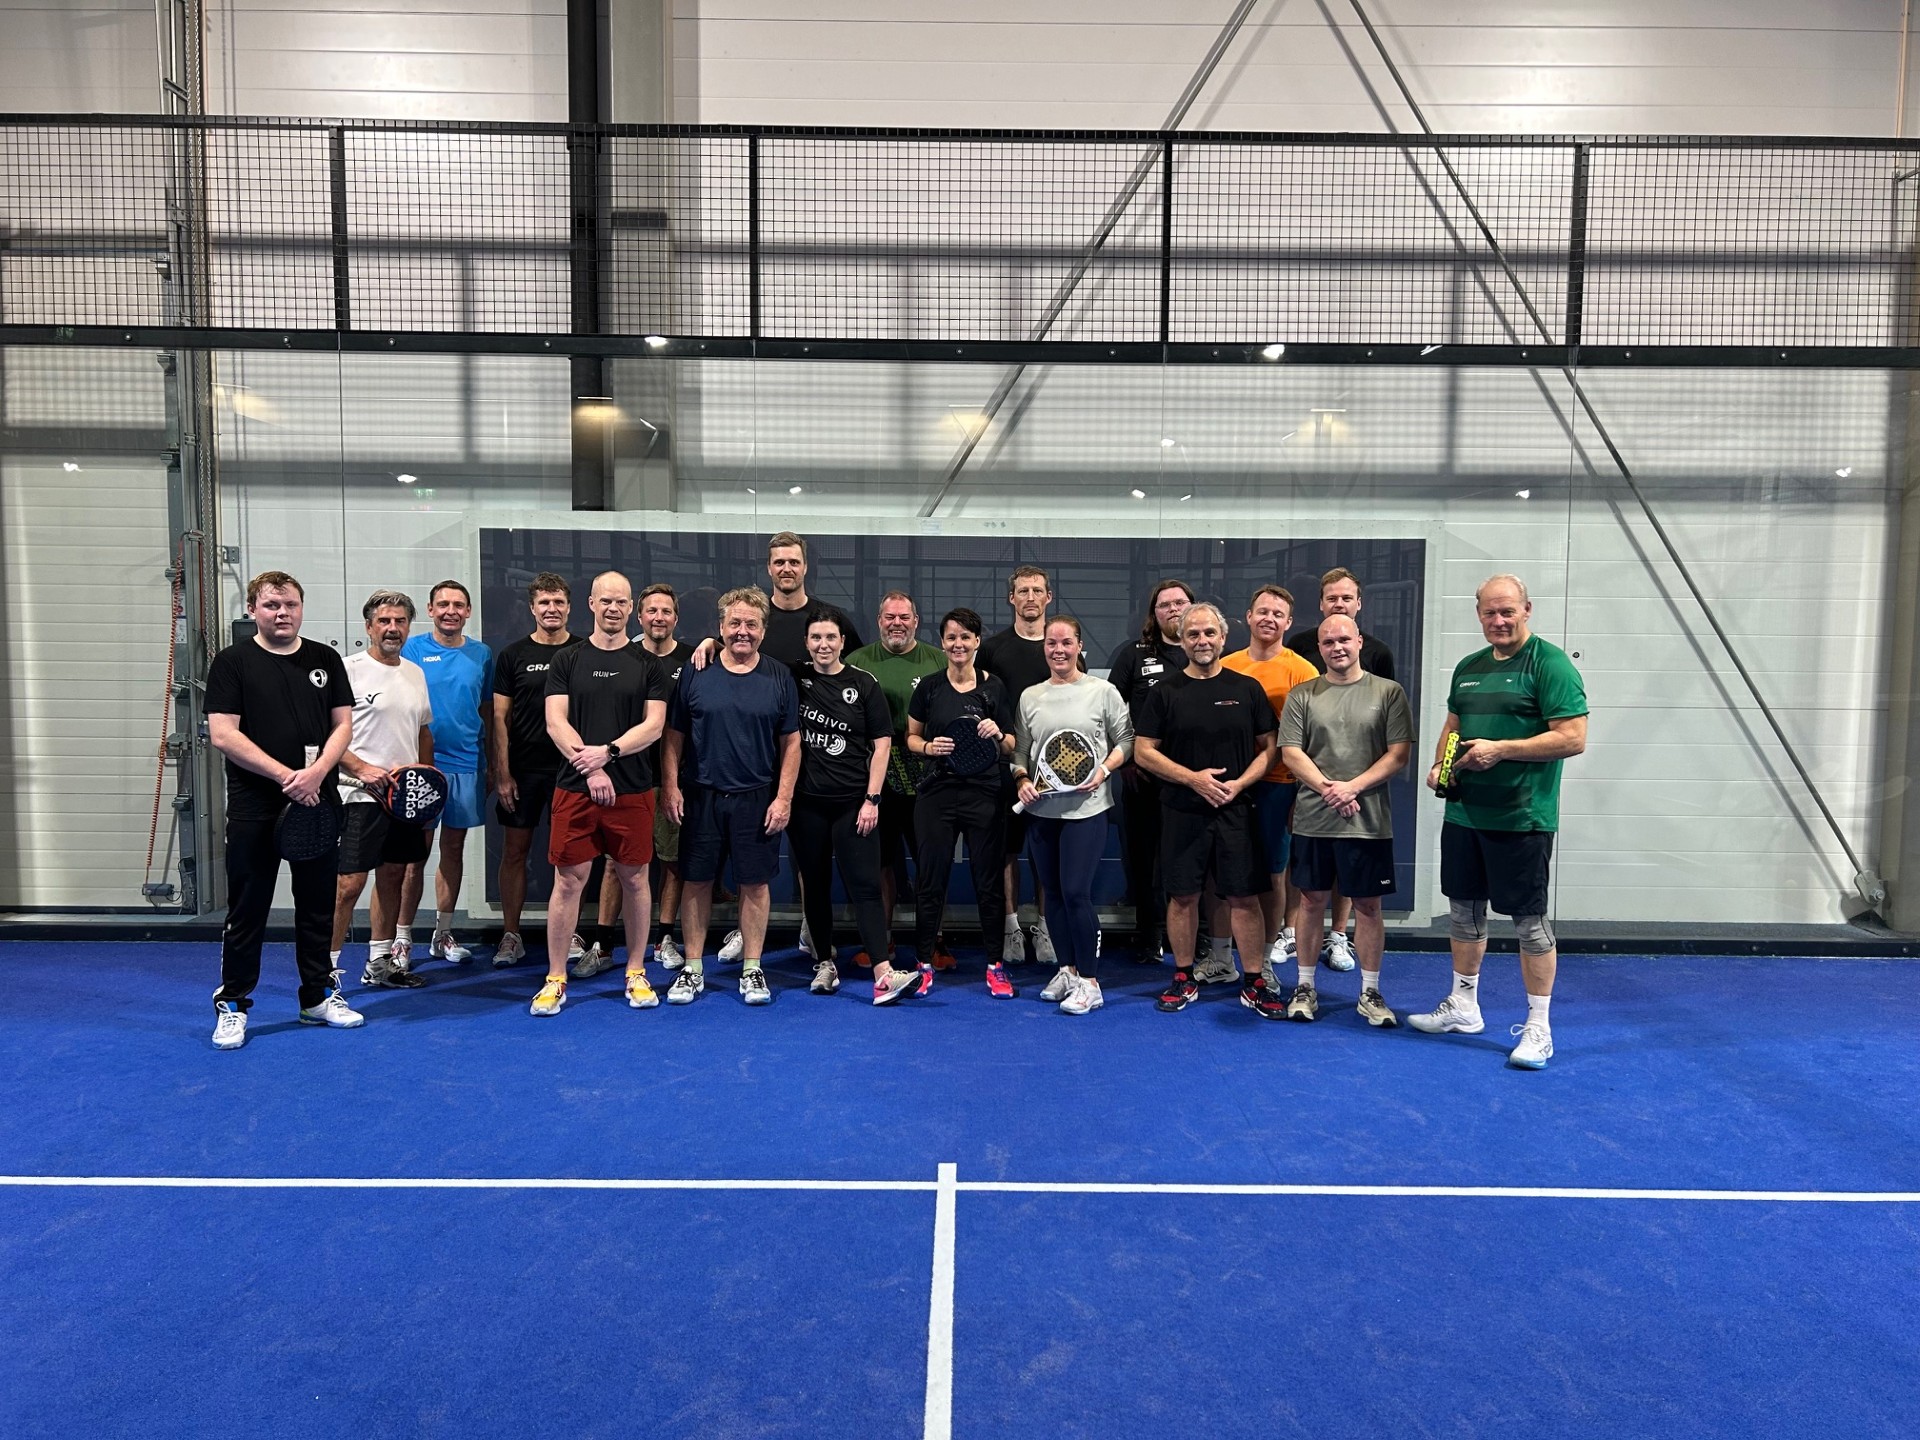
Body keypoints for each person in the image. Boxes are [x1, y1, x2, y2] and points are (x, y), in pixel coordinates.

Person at [1409, 575, 1587, 1069]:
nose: (1499, 620)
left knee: (1529, 923)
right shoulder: (1468, 668)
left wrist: (1502, 750)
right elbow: (1454, 727)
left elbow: (1573, 738)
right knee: (1463, 913)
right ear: (1479, 614)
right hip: (1465, 813)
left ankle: (1539, 1028)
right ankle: (1463, 1006)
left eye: (1508, 611)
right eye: (1490, 612)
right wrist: (1440, 765)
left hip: (1522, 818)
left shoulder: (1549, 664)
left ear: (1527, 609)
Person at [206, 570, 358, 1049]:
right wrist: (287, 777)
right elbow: (223, 734)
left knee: (316, 907)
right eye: (271, 605)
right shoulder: (232, 662)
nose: (282, 613)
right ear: (253, 609)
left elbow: (343, 725)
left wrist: (316, 775)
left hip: (317, 802)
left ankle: (317, 998)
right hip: (256, 808)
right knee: (247, 909)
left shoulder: (324, 658)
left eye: (290, 604)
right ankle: (233, 1004)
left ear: (301, 608)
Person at [1133, 603, 1285, 1019]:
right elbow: (1143, 752)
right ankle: (1183, 976)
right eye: (1193, 635)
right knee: (1183, 896)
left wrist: (1239, 784)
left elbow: (1270, 747)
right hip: (1182, 811)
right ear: (1182, 641)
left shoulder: (1247, 689)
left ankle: (1253, 980)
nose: (1202, 641)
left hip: (1236, 810)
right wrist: (1192, 779)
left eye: (1209, 633)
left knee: (1243, 896)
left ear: (1223, 638)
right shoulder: (1165, 692)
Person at [528, 571, 670, 1017]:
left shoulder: (648, 664)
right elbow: (555, 722)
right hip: (575, 788)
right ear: (591, 604)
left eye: (621, 602)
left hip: (632, 789)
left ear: (631, 608)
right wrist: (590, 769)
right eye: (606, 600)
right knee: (568, 882)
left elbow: (654, 726)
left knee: (636, 880)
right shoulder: (567, 660)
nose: (613, 608)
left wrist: (607, 754)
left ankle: (635, 971)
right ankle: (556, 977)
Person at [662, 586, 801, 1006]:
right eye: (735, 623)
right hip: (701, 796)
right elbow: (673, 735)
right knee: (696, 881)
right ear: (720, 627)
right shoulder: (696, 669)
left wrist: (783, 798)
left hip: (757, 798)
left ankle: (752, 968)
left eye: (751, 624)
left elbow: (791, 743)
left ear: (763, 630)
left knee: (754, 884)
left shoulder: (780, 676)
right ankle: (692, 968)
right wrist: (670, 785)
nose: (743, 631)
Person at [1277, 615, 1415, 1025]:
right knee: (1309, 902)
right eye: (1328, 642)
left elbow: (1398, 754)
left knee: (1369, 906)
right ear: (1319, 648)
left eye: (1343, 639)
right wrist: (1329, 789)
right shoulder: (1303, 695)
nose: (1336, 647)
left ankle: (1370, 992)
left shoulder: (1388, 692)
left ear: (1359, 641)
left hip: (1368, 823)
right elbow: (1291, 753)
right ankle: (1305, 986)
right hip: (1313, 820)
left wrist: (1352, 787)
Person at [790, 610, 920, 1004]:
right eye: (816, 638)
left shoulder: (863, 683)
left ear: (842, 642)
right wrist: (709, 643)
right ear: (806, 642)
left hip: (853, 805)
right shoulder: (793, 678)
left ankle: (883, 972)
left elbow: (882, 744)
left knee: (865, 887)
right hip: (806, 806)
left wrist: (872, 799)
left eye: (830, 637)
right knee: (815, 886)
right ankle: (824, 963)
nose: (823, 645)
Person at [1012, 617, 1131, 1015]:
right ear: (1043, 648)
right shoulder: (1030, 697)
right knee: (1054, 895)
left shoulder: (1103, 692)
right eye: (1051, 643)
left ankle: (1090, 983)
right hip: (1041, 812)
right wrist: (1022, 779)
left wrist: (1104, 770)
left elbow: (1126, 740)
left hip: (1087, 811)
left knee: (1076, 893)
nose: (1058, 650)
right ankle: (1066, 970)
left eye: (1066, 642)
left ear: (1079, 646)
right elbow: (1021, 751)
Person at [1285, 567, 1396, 973]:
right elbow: (1293, 743)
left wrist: (1351, 788)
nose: (1339, 604)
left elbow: (1389, 739)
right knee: (1308, 887)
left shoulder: (1380, 659)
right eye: (1332, 597)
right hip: (1311, 787)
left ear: (1358, 605)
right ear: (1320, 604)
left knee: (1359, 888)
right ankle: (1294, 944)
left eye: (1346, 598)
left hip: (1361, 796)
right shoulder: (1299, 650)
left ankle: (1339, 937)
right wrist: (1328, 787)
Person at [905, 607, 1018, 997]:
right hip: (936, 794)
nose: (958, 644)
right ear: (942, 642)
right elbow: (911, 738)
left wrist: (997, 733)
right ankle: (923, 965)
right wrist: (928, 747)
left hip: (984, 794)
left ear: (977, 642)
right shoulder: (929, 687)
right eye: (951, 637)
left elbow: (1010, 744)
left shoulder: (994, 688)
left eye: (965, 637)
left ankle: (995, 966)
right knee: (930, 881)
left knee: (988, 883)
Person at [332, 590, 436, 991]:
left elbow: (422, 731)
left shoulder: (414, 673)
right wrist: (362, 770)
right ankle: (324, 970)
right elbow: (328, 734)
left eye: (400, 621)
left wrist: (424, 780)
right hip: (358, 795)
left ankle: (380, 963)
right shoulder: (348, 670)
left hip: (403, 798)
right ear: (369, 627)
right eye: (384, 621)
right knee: (349, 884)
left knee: (393, 875)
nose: (393, 628)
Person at [1219, 585, 1320, 980]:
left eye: (1278, 614)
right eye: (1262, 611)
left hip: (1280, 785)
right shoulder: (1226, 665)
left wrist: (1301, 790)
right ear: (1248, 616)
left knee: (1274, 872)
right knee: (1226, 871)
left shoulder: (1302, 671)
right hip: (1230, 784)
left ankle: (1263, 957)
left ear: (1288, 623)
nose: (1269, 619)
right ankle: (1222, 957)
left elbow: (1312, 737)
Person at [845, 591, 948, 967]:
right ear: (879, 621)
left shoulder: (938, 661)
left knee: (930, 865)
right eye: (890, 617)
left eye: (904, 617)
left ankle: (933, 943)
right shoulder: (857, 662)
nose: (897, 624)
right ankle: (882, 942)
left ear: (916, 622)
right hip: (877, 780)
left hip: (929, 779)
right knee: (881, 864)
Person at [489, 572, 581, 968]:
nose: (551, 609)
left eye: (558, 602)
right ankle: (511, 934)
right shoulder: (513, 655)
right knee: (515, 851)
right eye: (544, 602)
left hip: (570, 770)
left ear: (569, 607)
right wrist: (503, 772)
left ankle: (569, 932)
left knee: (571, 857)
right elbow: (499, 717)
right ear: (532, 608)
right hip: (523, 771)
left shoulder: (582, 652)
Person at [399, 580, 493, 965]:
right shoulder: (412, 649)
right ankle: (402, 938)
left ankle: (442, 934)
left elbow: (487, 710)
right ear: (431, 609)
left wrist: (491, 763)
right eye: (443, 604)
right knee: (414, 855)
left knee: (453, 848)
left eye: (458, 604)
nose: (450, 610)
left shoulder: (481, 654)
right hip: (422, 767)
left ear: (468, 611)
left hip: (466, 764)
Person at [1107, 578, 1195, 963]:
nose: (1173, 609)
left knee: (1188, 859)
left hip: (1193, 779)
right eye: (1164, 605)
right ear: (1153, 614)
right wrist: (1127, 758)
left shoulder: (1205, 653)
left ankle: (1192, 936)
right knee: (1143, 859)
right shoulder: (1134, 655)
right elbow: (1110, 710)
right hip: (1143, 777)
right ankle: (1149, 935)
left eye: (1180, 603)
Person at [979, 564, 1059, 966]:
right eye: (1023, 591)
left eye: (1037, 590)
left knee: (1046, 852)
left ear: (1048, 597)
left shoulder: (1060, 646)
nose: (1030, 597)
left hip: (1053, 770)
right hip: (1004, 766)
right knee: (1007, 851)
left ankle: (1046, 926)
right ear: (1011, 598)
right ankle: (1011, 927)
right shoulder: (993, 649)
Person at [633, 583, 697, 971]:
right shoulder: (624, 657)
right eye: (652, 611)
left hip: (675, 778)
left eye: (666, 611)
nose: (659, 618)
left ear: (676, 618)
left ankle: (665, 938)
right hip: (629, 778)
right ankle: (605, 941)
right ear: (640, 616)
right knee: (620, 864)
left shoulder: (694, 659)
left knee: (672, 861)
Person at [760, 530, 863, 667]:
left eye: (794, 562)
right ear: (769, 568)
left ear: (805, 567)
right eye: (779, 562)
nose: (787, 569)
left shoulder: (834, 618)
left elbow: (856, 668)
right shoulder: (755, 619)